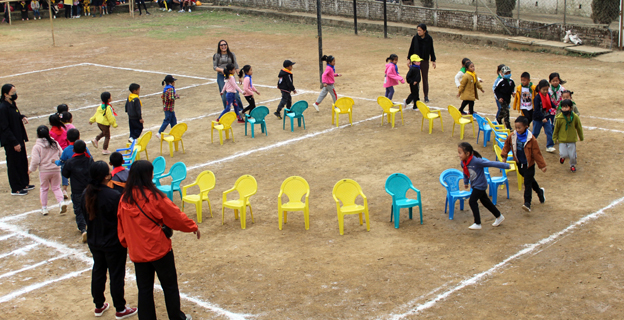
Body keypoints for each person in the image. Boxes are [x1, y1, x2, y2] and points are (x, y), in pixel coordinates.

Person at [117, 160, 200, 320]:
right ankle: (176, 317)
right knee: (169, 286)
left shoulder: (124, 199)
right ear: (148, 175)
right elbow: (174, 215)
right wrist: (192, 226)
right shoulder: (153, 196)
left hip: (138, 253)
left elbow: (121, 225)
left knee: (145, 289)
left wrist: (126, 243)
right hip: (159, 250)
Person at [83, 161, 138, 319]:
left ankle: (99, 305)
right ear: (107, 176)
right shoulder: (114, 196)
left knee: (98, 271)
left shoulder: (85, 195)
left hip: (94, 241)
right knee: (116, 275)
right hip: (113, 242)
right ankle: (120, 308)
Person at [458, 142, 509, 230]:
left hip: (480, 185)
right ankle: (499, 216)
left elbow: (492, 163)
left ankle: (477, 223)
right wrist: (466, 182)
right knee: (485, 201)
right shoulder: (463, 163)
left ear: (467, 153)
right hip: (474, 185)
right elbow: (465, 172)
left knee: (472, 201)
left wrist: (506, 165)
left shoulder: (476, 161)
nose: (459, 155)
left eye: (460, 152)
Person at [502, 116, 547, 212]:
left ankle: (527, 203)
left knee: (527, 183)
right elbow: (506, 145)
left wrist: (542, 166)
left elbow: (536, 153)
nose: (517, 130)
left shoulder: (531, 139)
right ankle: (540, 192)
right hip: (519, 163)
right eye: (516, 127)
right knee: (530, 180)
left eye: (519, 128)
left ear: (526, 127)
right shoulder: (513, 136)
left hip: (529, 165)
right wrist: (504, 156)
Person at [0, 84, 32, 196]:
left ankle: (24, 183)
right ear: (5, 94)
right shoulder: (3, 108)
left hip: (18, 136)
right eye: (12, 93)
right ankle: (16, 188)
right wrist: (14, 142)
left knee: (22, 161)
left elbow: (15, 115)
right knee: (14, 164)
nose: (14, 95)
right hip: (11, 140)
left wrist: (22, 116)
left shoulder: (12, 104)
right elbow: (4, 127)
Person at [28, 125, 66, 216]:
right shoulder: (55, 143)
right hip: (56, 169)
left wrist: (31, 170)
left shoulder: (37, 147)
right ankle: (61, 202)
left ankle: (44, 208)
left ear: (37, 134)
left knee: (44, 189)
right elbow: (61, 154)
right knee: (56, 187)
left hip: (44, 171)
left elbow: (35, 160)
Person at [62, 140, 93, 242]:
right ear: (85, 149)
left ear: (74, 150)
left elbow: (65, 174)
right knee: (90, 208)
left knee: (79, 209)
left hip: (77, 190)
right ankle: (91, 226)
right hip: (88, 189)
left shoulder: (70, 162)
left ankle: (83, 229)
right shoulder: (89, 160)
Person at [56, 128, 91, 199]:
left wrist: (55, 161)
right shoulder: (85, 149)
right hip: (86, 178)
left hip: (76, 183)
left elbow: (61, 162)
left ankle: (64, 189)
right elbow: (90, 157)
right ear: (78, 137)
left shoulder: (66, 150)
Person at [406, 23, 436, 103]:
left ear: (424, 31)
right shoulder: (415, 38)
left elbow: (431, 49)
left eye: (420, 30)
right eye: (418, 30)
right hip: (415, 61)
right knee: (415, 79)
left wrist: (433, 60)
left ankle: (426, 95)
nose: (418, 32)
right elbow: (411, 48)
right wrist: (409, 59)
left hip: (424, 60)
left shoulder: (429, 38)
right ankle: (415, 95)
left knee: (424, 78)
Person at [553, 99, 584, 173]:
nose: (564, 109)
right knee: (563, 153)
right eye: (563, 107)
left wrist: (581, 136)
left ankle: (572, 165)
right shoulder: (559, 118)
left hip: (572, 139)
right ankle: (563, 157)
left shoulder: (575, 117)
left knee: (572, 155)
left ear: (570, 108)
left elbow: (578, 127)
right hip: (562, 139)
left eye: (566, 107)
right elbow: (556, 129)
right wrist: (554, 137)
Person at [213, 40, 244, 113]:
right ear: (219, 46)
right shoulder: (217, 55)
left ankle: (241, 110)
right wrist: (222, 70)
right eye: (221, 45)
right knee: (224, 95)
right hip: (221, 76)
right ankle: (227, 111)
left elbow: (236, 65)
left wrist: (239, 76)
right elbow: (215, 67)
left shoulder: (231, 54)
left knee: (236, 94)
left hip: (231, 76)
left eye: (225, 44)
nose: (223, 46)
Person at [532, 80, 556, 153]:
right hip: (538, 119)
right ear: (539, 89)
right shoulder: (537, 98)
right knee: (535, 133)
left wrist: (555, 106)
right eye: (544, 89)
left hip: (546, 117)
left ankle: (549, 146)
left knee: (549, 131)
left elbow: (550, 103)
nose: (545, 91)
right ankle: (530, 144)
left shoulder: (548, 95)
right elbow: (537, 110)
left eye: (547, 89)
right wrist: (542, 118)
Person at [158, 75, 179, 139]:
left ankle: (175, 132)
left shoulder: (166, 88)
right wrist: (176, 97)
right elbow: (171, 98)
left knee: (173, 120)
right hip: (169, 108)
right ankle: (159, 132)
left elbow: (163, 97)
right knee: (167, 120)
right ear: (170, 82)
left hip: (167, 107)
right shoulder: (171, 89)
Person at [493, 65, 515, 130]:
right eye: (506, 73)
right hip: (502, 100)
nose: (508, 74)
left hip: (508, 99)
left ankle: (498, 119)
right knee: (506, 112)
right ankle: (508, 126)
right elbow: (496, 90)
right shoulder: (501, 81)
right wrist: (499, 97)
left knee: (503, 111)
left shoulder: (511, 81)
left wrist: (513, 92)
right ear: (502, 74)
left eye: (509, 73)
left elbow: (512, 88)